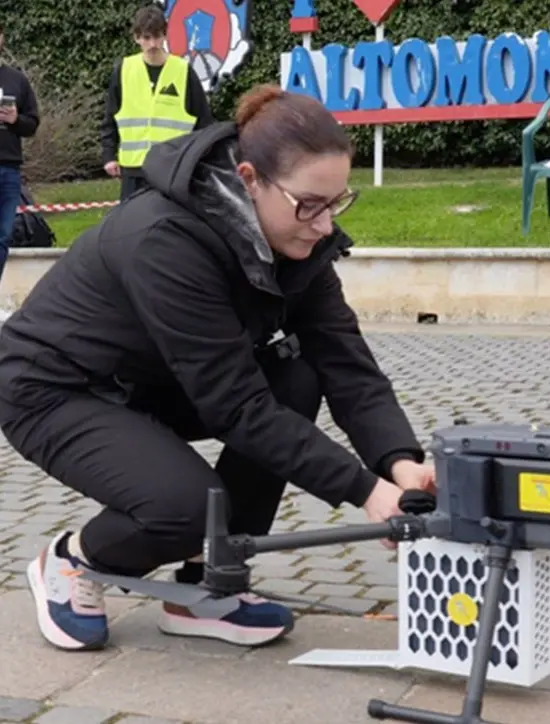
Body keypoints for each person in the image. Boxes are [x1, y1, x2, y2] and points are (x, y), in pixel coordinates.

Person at [0, 82, 435, 653]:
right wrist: (362, 490)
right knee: (186, 507)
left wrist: (399, 463)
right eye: (310, 204)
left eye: (337, 203)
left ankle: (207, 586)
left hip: (150, 378)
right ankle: (73, 560)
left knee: (298, 376)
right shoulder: (164, 240)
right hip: (51, 388)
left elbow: (347, 363)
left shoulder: (296, 240)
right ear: (250, 179)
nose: (325, 224)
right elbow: (235, 408)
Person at [100, 4, 214, 201]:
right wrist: (109, 155)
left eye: (157, 36)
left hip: (171, 168)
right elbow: (111, 116)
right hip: (133, 169)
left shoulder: (183, 71)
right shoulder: (124, 70)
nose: (153, 44)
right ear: (136, 38)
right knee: (131, 227)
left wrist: (200, 160)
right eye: (146, 38)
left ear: (165, 35)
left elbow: (203, 121)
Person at [0, 22, 39, 282]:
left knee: (2, 237)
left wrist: (15, 119)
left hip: (8, 168)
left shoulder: (17, 80)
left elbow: (32, 124)